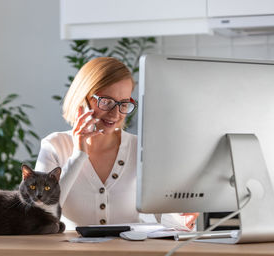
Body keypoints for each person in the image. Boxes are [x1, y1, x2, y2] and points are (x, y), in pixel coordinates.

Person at [35, 57, 198, 230]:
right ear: (83, 99)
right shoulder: (54, 146)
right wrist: (78, 156)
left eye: (124, 103)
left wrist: (181, 220)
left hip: (131, 254)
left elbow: (163, 218)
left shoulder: (140, 149)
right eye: (106, 101)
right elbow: (39, 216)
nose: (115, 114)